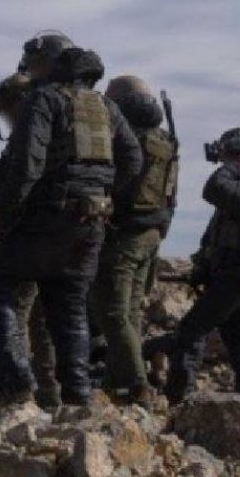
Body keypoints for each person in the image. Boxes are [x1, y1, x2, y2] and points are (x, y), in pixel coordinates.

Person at [0, 32, 142, 406]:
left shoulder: (44, 99)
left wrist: (2, 214)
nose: (30, 73)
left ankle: (15, 378)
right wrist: (101, 192)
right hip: (91, 222)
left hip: (47, 217)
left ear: (48, 63)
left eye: (32, 65)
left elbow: (28, 167)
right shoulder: (104, 106)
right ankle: (78, 396)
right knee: (68, 306)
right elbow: (133, 160)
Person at [165, 127, 240, 413]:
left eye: (232, 157)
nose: (224, 163)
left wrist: (232, 165)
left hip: (239, 276)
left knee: (192, 331)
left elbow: (214, 188)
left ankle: (179, 400)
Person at [91, 75, 178, 403]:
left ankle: (136, 384)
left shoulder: (126, 137)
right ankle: (117, 379)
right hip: (151, 234)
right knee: (130, 312)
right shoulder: (164, 140)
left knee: (111, 312)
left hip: (125, 234)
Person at [0, 73, 61, 407]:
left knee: (12, 304)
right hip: (65, 231)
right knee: (44, 315)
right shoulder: (61, 127)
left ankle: (17, 384)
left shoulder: (33, 130)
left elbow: (23, 176)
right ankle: (50, 393)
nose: (6, 118)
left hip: (31, 231)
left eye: (5, 110)